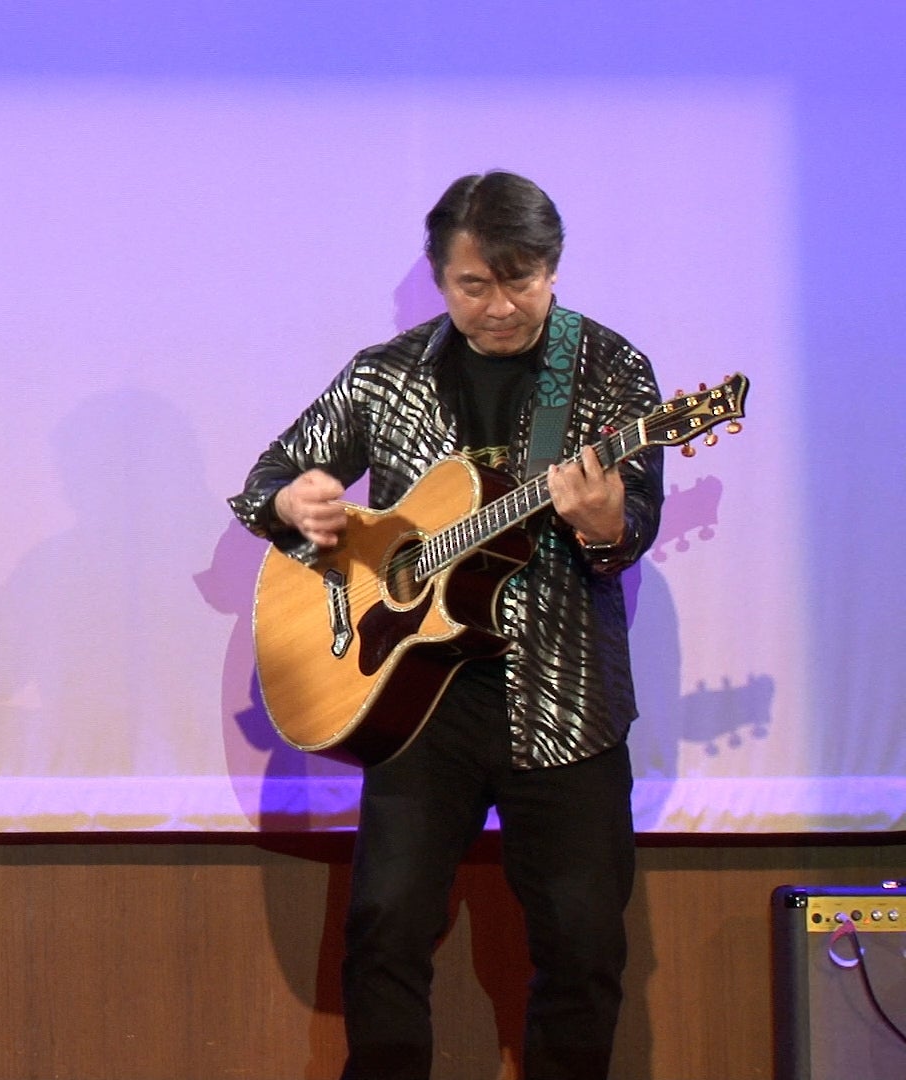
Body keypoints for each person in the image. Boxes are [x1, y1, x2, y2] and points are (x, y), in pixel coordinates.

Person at [229, 171, 663, 1080]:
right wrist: (293, 501)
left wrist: (605, 525)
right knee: (385, 928)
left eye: (521, 280)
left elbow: (633, 528)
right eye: (474, 285)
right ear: (439, 277)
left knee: (584, 946)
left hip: (565, 701)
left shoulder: (609, 370)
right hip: (417, 701)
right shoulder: (385, 375)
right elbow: (271, 477)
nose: (499, 306)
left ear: (552, 267)